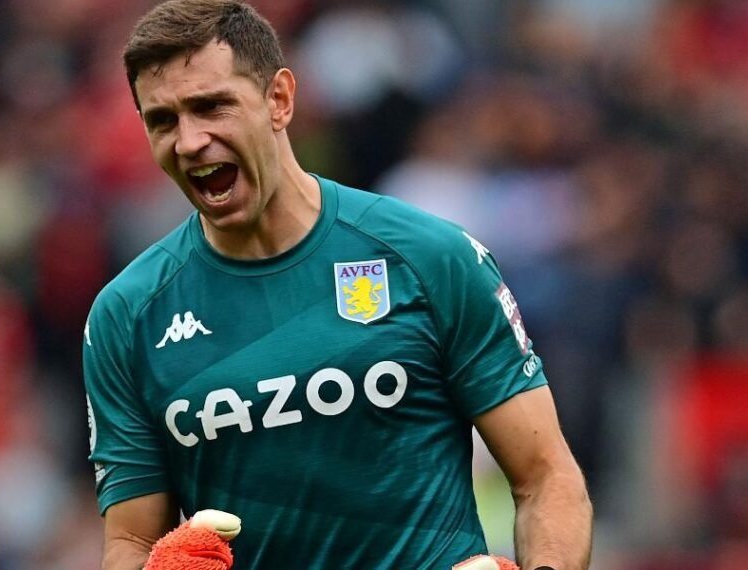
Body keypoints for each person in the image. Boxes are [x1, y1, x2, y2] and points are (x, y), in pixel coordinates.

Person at [81, 1, 593, 568]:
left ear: (279, 99)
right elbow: (130, 541)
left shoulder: (431, 258)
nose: (189, 141)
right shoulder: (126, 316)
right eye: (163, 120)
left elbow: (546, 478)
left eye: (212, 107)